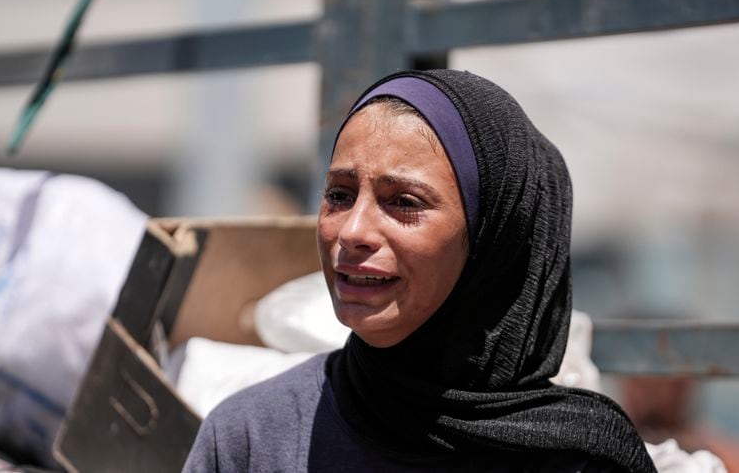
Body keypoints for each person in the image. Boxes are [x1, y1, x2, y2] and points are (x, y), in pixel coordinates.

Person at [183, 70, 656, 472]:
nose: (352, 231)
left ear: (493, 243)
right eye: (340, 195)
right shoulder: (252, 439)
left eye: (404, 202)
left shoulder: (581, 459)